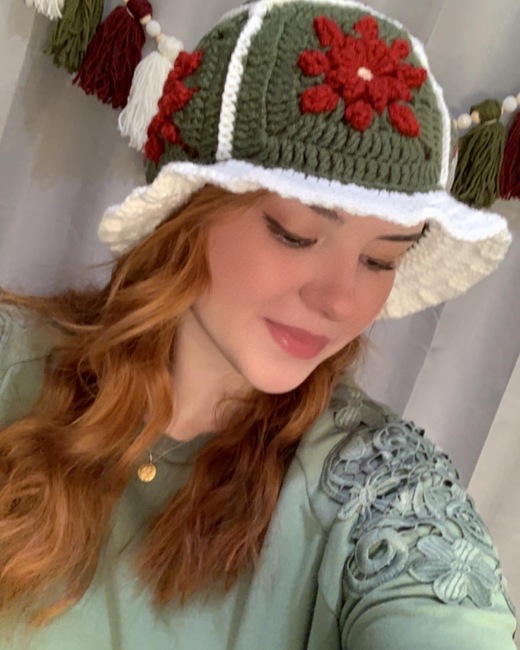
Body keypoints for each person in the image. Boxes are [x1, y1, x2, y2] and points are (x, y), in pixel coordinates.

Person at [0, 0, 516, 648]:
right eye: (294, 233)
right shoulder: (14, 363)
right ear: (186, 214)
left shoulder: (380, 490)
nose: (341, 301)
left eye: (381, 259)